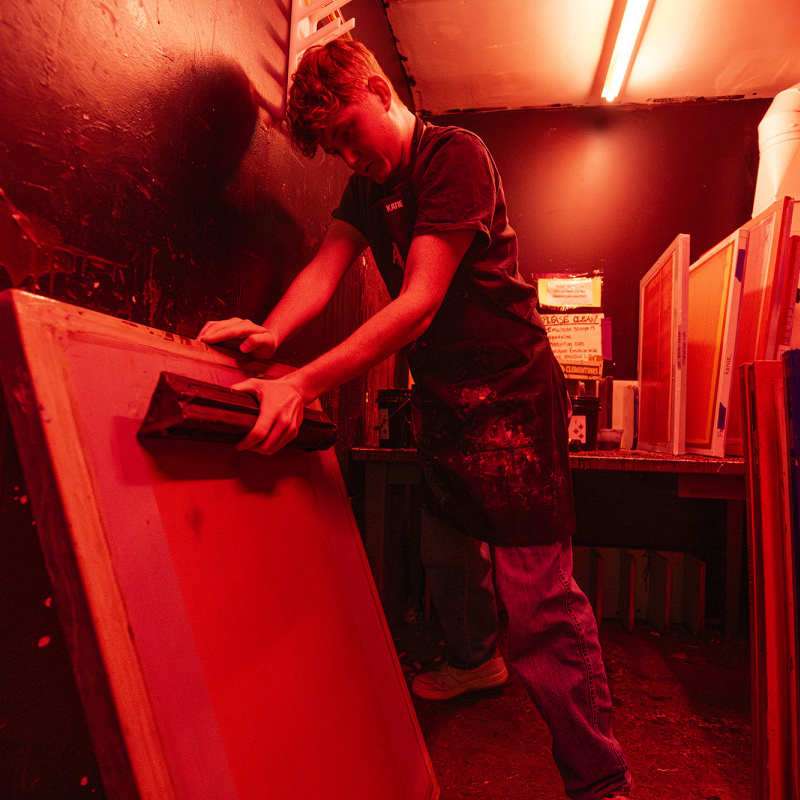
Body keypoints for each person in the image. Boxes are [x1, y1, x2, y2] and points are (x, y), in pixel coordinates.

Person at [198, 38, 631, 800]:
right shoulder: (367, 192)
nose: (344, 152)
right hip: (446, 400)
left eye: (346, 131)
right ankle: (474, 661)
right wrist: (270, 333)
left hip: (512, 396)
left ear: (377, 88)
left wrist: (300, 382)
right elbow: (326, 266)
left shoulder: (452, 155)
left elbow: (419, 302)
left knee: (538, 609)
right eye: (329, 145)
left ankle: (600, 777)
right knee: (450, 555)